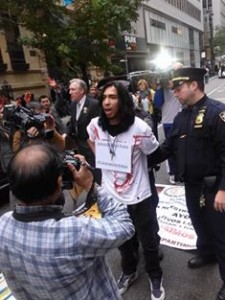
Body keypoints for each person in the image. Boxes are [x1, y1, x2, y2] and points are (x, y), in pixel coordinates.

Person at [0, 143, 135, 300]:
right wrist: (90, 184)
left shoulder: (3, 226)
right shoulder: (74, 232)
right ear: (59, 184)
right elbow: (124, 225)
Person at [148, 67, 225, 300]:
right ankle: (206, 253)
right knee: (199, 225)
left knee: (221, 235)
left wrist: (223, 189)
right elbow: (166, 148)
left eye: (179, 88)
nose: (176, 93)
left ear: (194, 85)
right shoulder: (182, 116)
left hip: (214, 188)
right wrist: (141, 157)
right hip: (191, 186)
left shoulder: (217, 113)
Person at [87, 81, 165, 300]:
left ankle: (155, 275)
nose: (107, 102)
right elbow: (90, 140)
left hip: (139, 194)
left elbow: (153, 152)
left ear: (122, 100)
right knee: (122, 241)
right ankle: (129, 271)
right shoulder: (95, 125)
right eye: (104, 98)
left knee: (148, 240)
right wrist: (104, 158)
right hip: (112, 197)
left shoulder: (140, 127)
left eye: (112, 97)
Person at [67, 78, 102, 184]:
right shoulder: (73, 104)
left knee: (97, 173)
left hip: (92, 146)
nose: (70, 92)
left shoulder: (94, 104)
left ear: (82, 90)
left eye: (73, 90)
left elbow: (99, 127)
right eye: (70, 89)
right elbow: (73, 122)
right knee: (87, 172)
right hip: (79, 146)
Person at [154, 62, 183, 184]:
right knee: (171, 148)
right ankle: (172, 173)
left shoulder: (184, 83)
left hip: (183, 119)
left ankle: (182, 172)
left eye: (178, 70)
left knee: (183, 148)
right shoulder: (163, 86)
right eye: (173, 70)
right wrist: (160, 86)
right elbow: (157, 103)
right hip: (168, 122)